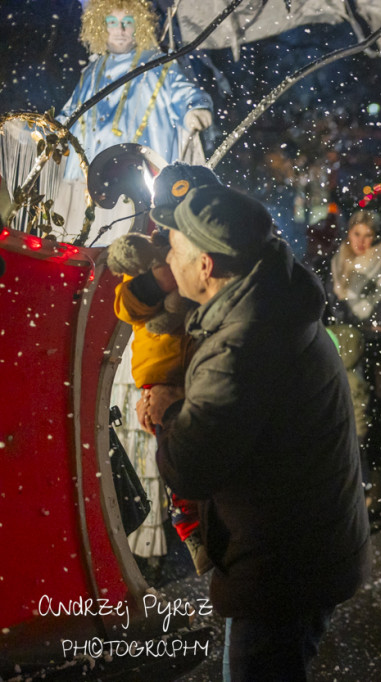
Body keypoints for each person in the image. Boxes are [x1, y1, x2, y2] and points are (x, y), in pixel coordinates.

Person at [145, 185, 370, 680]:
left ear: (206, 265)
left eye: (176, 247)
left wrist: (167, 412)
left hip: (281, 566)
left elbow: (191, 467)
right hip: (305, 546)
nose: (167, 256)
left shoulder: (240, 345)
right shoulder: (275, 297)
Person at [109, 162, 218, 577]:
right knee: (178, 460)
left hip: (204, 374)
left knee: (205, 461)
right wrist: (161, 279)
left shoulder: (219, 258)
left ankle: (205, 529)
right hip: (164, 375)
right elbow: (126, 305)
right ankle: (191, 529)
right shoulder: (155, 256)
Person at [57, 0, 212, 244]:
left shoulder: (158, 63)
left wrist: (195, 107)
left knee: (131, 246)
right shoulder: (91, 71)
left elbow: (184, 93)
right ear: (100, 25)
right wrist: (38, 130)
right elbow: (68, 115)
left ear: (139, 25)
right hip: (87, 179)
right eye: (111, 22)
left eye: (127, 22)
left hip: (135, 178)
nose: (120, 30)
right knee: (82, 243)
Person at [330, 210, 381, 518]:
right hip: (350, 356)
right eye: (356, 234)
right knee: (353, 427)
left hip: (380, 357)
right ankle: (358, 494)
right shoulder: (339, 262)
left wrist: (377, 329)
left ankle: (375, 489)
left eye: (367, 235)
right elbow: (336, 309)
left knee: (376, 427)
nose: (361, 242)